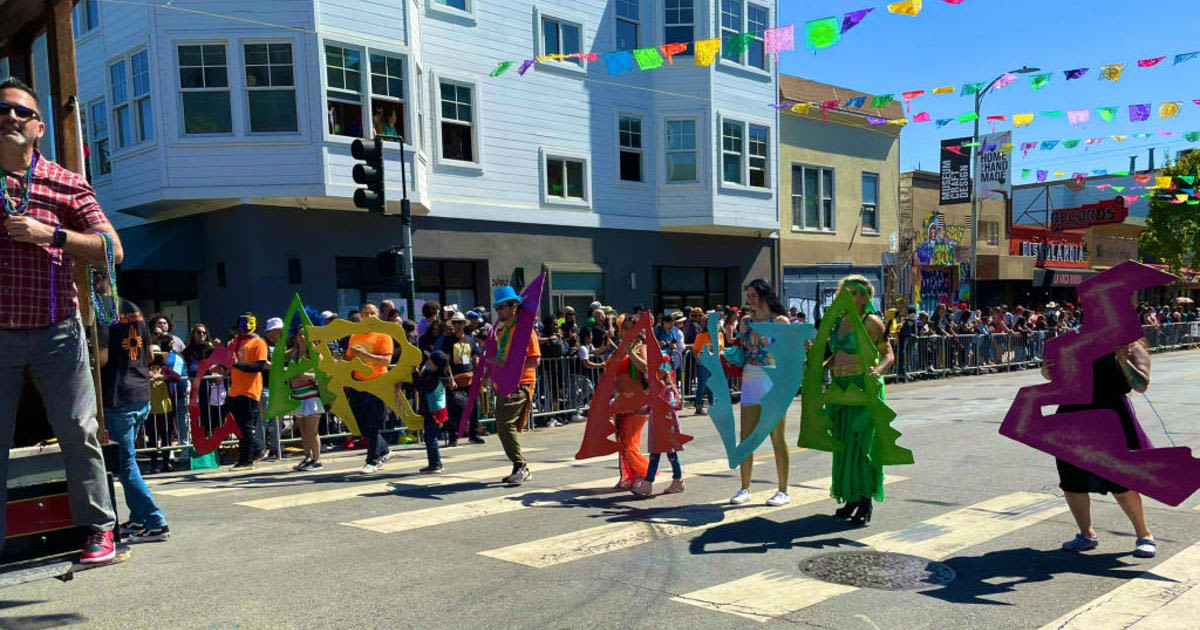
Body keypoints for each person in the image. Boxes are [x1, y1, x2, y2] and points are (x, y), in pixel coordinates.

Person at [0, 78, 120, 563]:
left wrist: (51, 234)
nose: (10, 117)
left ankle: (100, 529)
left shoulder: (66, 183)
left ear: (39, 128)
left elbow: (113, 250)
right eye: (1, 109)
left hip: (58, 329)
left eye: (22, 113)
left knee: (78, 429)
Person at [1045, 331, 1156, 558]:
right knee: (1071, 480)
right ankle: (1086, 535)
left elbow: (1141, 384)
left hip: (1111, 417)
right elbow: (1058, 376)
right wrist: (1048, 370)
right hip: (1073, 414)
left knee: (1120, 481)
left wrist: (1122, 359)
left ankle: (1144, 535)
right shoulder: (1079, 341)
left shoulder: (1131, 345)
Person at [96, 283, 171, 542]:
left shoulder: (102, 309)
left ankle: (155, 521)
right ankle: (139, 518)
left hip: (118, 396)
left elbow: (101, 358)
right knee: (129, 463)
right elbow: (150, 355)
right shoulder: (134, 308)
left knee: (125, 465)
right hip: (140, 393)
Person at [821, 275, 894, 526]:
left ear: (865, 297)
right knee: (843, 446)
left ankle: (865, 501)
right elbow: (838, 354)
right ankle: (851, 497)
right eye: (844, 292)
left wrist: (878, 370)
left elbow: (888, 354)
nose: (848, 297)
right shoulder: (839, 322)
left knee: (863, 446)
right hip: (840, 389)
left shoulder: (871, 322)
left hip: (864, 387)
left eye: (853, 293)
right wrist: (819, 366)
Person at [728, 280, 792, 507]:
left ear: (764, 296)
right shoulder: (746, 322)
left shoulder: (780, 321)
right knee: (746, 437)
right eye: (749, 296)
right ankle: (745, 487)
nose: (750, 300)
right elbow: (738, 347)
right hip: (750, 379)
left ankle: (783, 490)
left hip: (773, 381)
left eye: (754, 296)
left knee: (777, 437)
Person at [490, 285, 540, 485]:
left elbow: (534, 360)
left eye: (502, 307)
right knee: (503, 425)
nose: (499, 311)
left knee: (504, 424)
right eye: (497, 308)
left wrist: (512, 371)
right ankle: (519, 466)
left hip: (521, 383)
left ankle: (521, 466)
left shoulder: (525, 331)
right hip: (504, 384)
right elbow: (503, 360)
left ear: (514, 307)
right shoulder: (503, 332)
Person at [344, 302, 395, 474]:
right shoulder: (355, 335)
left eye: (373, 313)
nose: (370, 316)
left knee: (373, 424)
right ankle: (385, 450)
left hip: (377, 383)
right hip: (358, 384)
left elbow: (386, 361)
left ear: (378, 315)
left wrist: (365, 355)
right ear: (361, 316)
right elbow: (350, 359)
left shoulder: (383, 335)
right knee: (361, 425)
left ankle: (372, 460)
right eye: (366, 313)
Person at [221, 313, 269, 468]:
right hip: (235, 389)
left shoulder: (258, 342)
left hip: (250, 390)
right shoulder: (234, 343)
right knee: (238, 425)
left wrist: (237, 365)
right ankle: (251, 453)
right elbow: (228, 361)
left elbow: (259, 366)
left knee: (246, 425)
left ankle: (249, 457)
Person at [609, 316, 650, 490]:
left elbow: (646, 367)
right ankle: (627, 477)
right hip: (620, 402)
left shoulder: (641, 348)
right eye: (624, 328)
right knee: (623, 442)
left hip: (637, 402)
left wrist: (631, 353)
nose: (627, 331)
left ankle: (643, 474)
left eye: (631, 328)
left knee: (629, 441)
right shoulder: (619, 350)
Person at [288, 324, 326, 471]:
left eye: (305, 335)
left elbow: (323, 375)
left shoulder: (315, 355)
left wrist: (306, 376)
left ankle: (317, 460)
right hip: (297, 397)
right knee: (303, 430)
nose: (302, 338)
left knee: (312, 430)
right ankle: (308, 457)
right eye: (299, 335)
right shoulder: (294, 354)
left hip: (311, 397)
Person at [446, 312, 485, 445]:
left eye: (459, 322)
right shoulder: (448, 341)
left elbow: (475, 358)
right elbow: (446, 361)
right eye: (454, 323)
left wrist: (479, 375)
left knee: (473, 406)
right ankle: (453, 435)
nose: (457, 325)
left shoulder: (470, 340)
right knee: (455, 408)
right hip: (455, 379)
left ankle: (473, 434)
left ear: (464, 324)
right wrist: (450, 378)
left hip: (469, 377)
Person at [415, 351, 453, 474]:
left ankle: (435, 464)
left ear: (436, 365)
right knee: (430, 437)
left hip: (434, 410)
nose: (427, 361)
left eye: (430, 360)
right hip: (437, 409)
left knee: (430, 437)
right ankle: (435, 463)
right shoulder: (438, 375)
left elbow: (420, 387)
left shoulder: (434, 378)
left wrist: (415, 375)